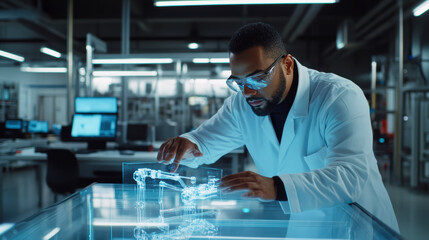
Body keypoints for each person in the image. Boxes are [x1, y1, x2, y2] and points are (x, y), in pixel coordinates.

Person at [157, 22, 399, 231]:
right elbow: (205, 141)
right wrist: (189, 144)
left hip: (358, 227)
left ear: (287, 65)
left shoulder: (339, 97)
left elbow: (350, 176)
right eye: (238, 82)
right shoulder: (242, 105)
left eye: (258, 77)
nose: (248, 91)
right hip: (305, 226)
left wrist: (277, 186)